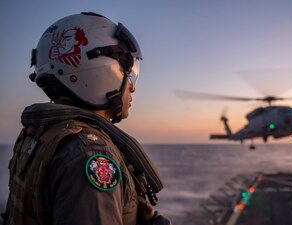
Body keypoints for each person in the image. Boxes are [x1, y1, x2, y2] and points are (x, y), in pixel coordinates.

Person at [2, 12, 172, 225]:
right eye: (128, 76)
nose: (132, 87)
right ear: (100, 74)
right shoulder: (88, 154)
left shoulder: (42, 133)